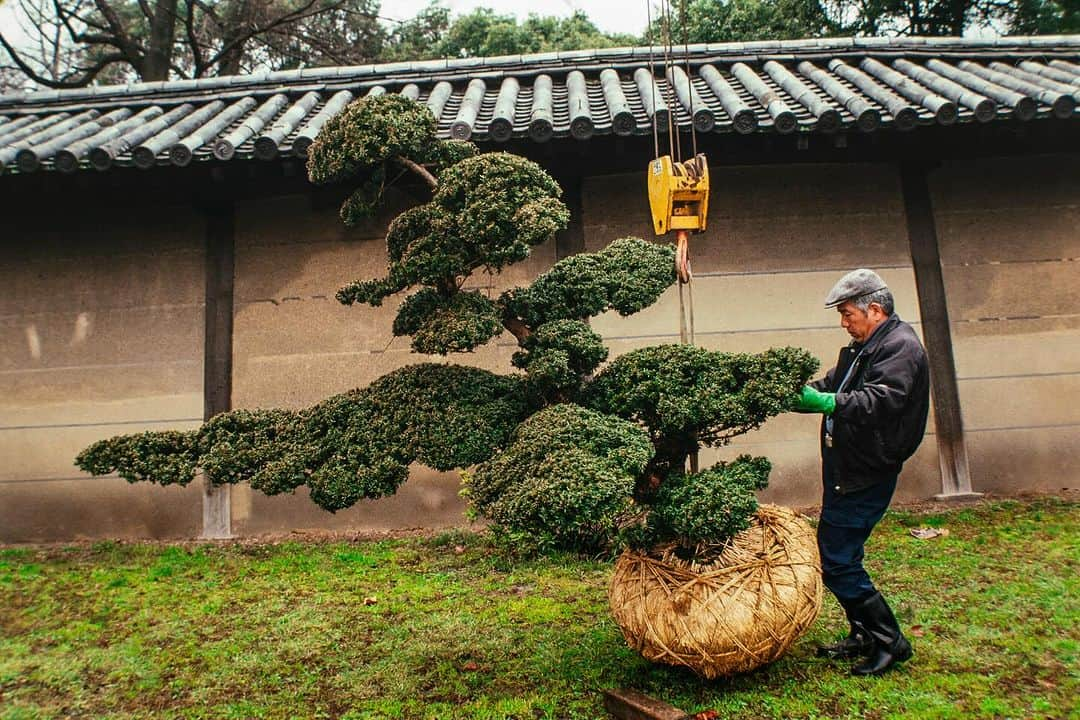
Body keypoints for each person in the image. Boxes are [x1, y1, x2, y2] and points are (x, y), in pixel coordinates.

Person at [794, 268, 930, 676]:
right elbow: (832, 385)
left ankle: (890, 642)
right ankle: (863, 633)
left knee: (836, 560)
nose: (844, 322)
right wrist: (796, 393)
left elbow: (881, 401)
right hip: (846, 467)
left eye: (848, 313)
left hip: (867, 471)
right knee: (843, 553)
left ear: (874, 309)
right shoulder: (862, 348)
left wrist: (828, 404)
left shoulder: (901, 348)